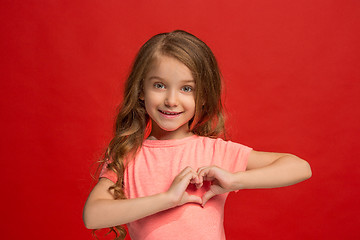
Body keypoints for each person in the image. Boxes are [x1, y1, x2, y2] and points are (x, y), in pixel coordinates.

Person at [83, 30, 312, 240]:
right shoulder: (128, 155)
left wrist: (234, 180)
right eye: (159, 85)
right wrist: (168, 199)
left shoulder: (213, 151)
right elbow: (93, 215)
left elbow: (300, 167)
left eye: (186, 88)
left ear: (202, 96)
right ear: (141, 91)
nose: (171, 100)